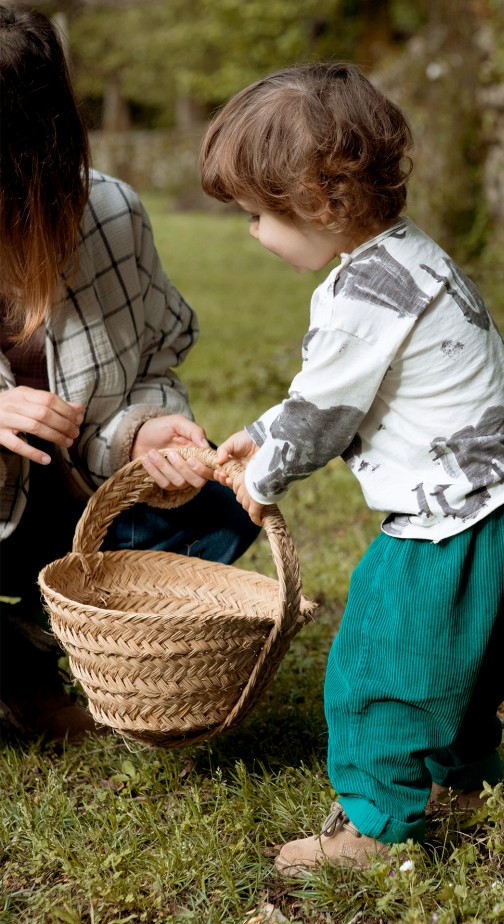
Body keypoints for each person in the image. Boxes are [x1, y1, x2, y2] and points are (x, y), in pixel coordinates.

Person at [198, 61, 504, 875]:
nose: (253, 231)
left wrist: (261, 479)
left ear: (318, 200)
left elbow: (326, 413)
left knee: (377, 661)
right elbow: (337, 392)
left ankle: (372, 829)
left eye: (259, 214)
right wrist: (258, 434)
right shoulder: (413, 259)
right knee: (465, 657)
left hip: (453, 521)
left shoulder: (361, 293)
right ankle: (464, 783)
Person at [0, 5, 259, 742]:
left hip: (70, 507)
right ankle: (16, 664)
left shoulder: (112, 212)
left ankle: (43, 634)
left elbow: (151, 362)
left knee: (225, 506)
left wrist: (144, 430)